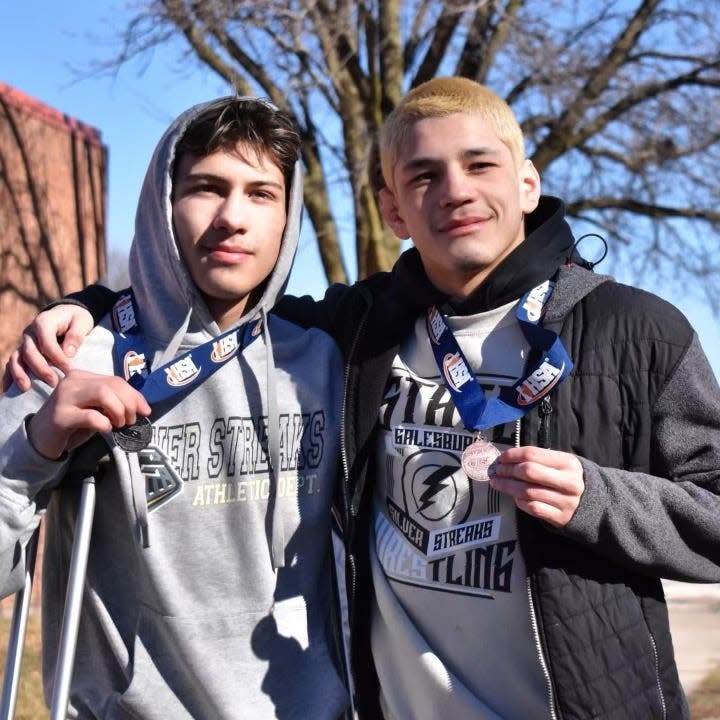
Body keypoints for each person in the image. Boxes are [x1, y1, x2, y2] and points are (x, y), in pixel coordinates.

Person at [8, 77, 720, 719]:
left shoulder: (633, 330)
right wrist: (87, 323)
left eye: (261, 194)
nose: (457, 192)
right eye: (205, 188)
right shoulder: (351, 334)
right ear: (392, 209)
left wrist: (602, 499)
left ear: (527, 183)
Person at [0, 97, 352, 719]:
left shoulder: (325, 359)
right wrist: (37, 446)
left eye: (261, 194)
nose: (231, 218)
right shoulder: (69, 358)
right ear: (165, 203)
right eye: (206, 188)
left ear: (289, 214)